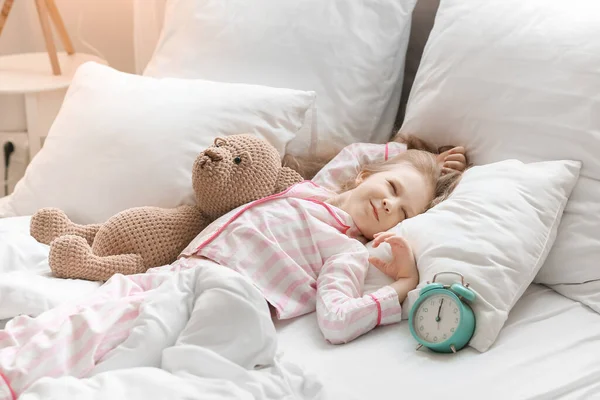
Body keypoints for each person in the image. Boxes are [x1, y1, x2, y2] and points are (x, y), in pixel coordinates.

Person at [0, 138, 466, 398]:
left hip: (231, 290)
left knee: (141, 345)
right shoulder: (310, 191)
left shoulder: (345, 251)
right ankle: (21, 373)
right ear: (366, 177)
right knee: (87, 318)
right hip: (179, 272)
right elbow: (351, 157)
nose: (390, 203)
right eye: (391, 187)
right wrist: (414, 154)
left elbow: (337, 320)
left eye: (404, 211)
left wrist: (401, 286)